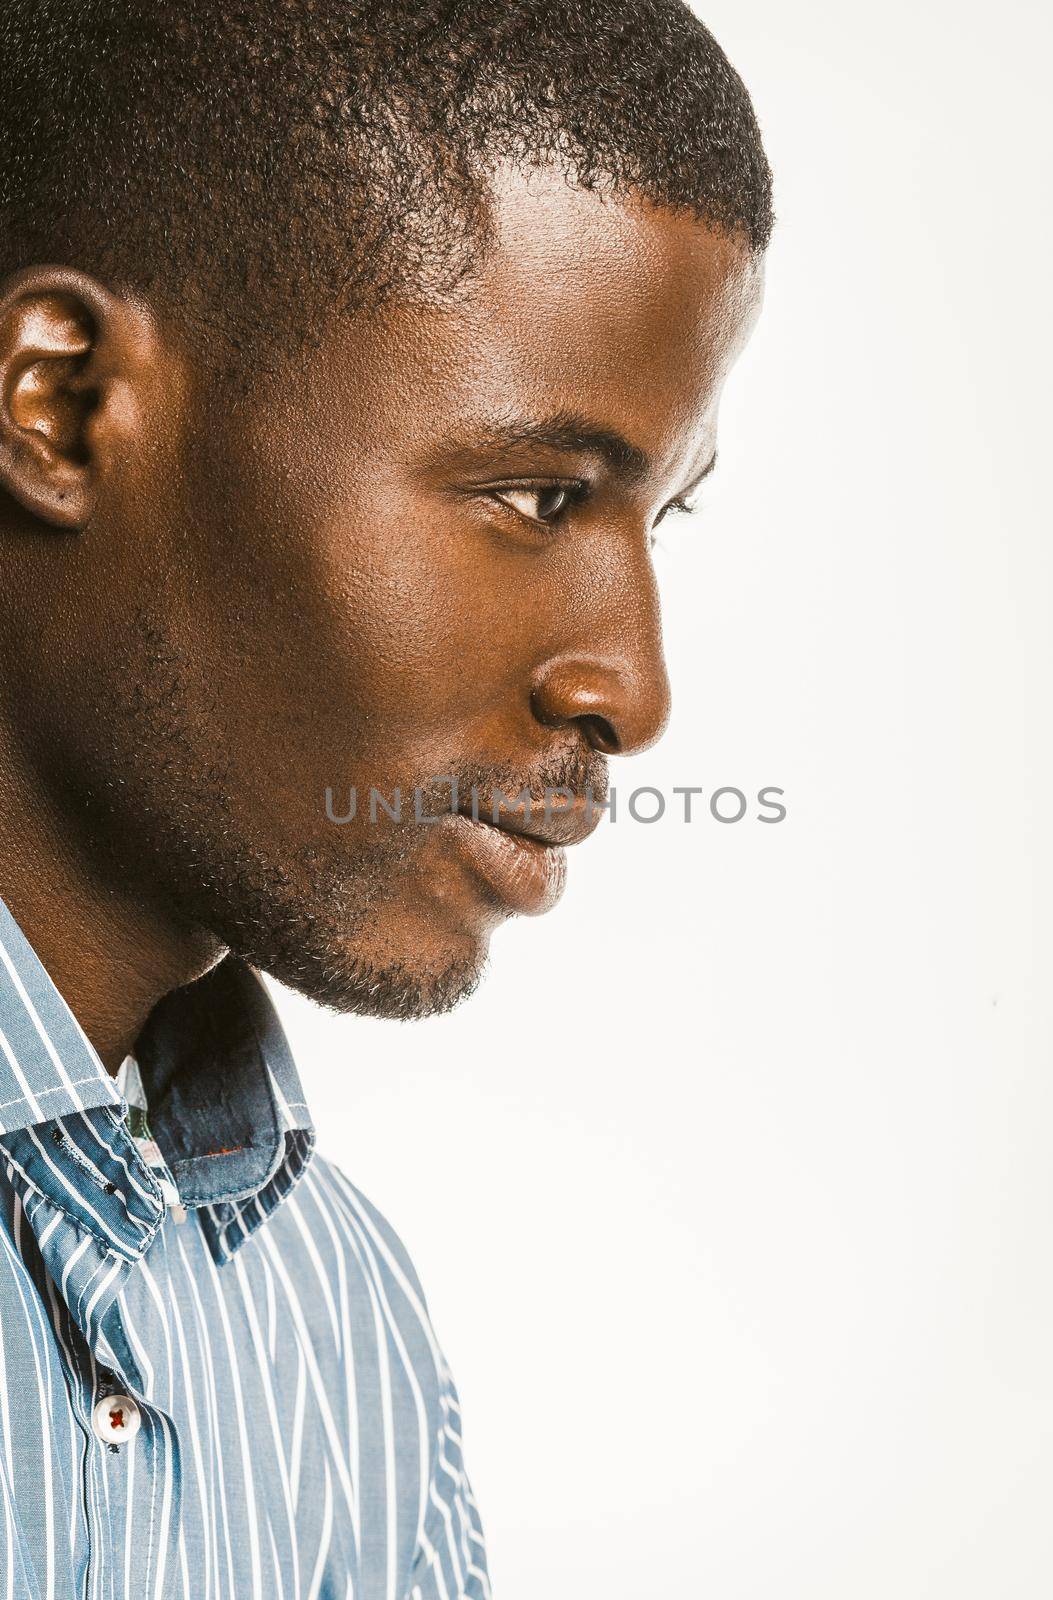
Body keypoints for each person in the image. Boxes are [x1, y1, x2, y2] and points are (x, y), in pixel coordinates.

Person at [0, 0, 772, 1594]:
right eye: (535, 495)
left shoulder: (339, 1326)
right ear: (61, 407)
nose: (630, 691)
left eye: (659, 516)